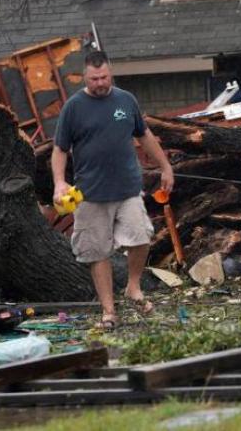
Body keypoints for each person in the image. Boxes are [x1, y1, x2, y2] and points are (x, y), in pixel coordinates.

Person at [51, 50, 174, 329]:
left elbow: (145, 136)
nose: (100, 83)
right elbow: (59, 150)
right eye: (94, 79)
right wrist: (59, 182)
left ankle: (133, 287)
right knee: (98, 252)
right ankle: (109, 311)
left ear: (111, 73)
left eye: (104, 77)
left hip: (128, 187)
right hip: (90, 194)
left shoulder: (125, 100)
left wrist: (165, 167)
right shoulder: (73, 107)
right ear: (85, 76)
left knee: (141, 237)